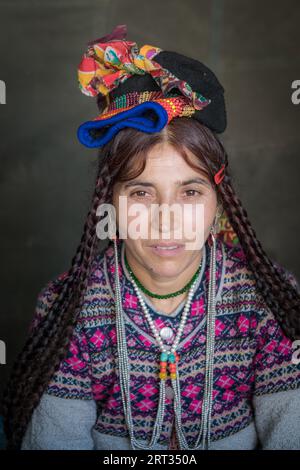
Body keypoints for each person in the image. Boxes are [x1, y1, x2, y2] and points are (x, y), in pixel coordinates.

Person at [1, 24, 300, 451]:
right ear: (112, 203)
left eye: (190, 191)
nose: (167, 219)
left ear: (219, 202)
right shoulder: (68, 307)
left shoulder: (268, 298)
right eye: (142, 193)